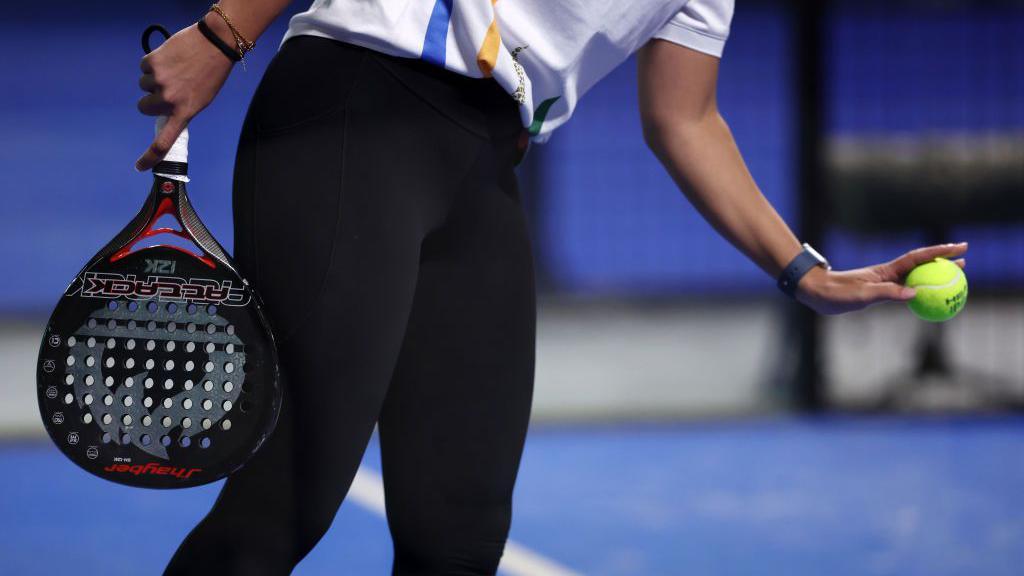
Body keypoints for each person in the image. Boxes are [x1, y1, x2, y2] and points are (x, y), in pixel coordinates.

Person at [139, 1, 968, 574]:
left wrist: (808, 272)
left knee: (457, 538)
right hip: (356, 107)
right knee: (286, 505)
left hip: (482, 164)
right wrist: (222, 34)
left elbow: (685, 118)